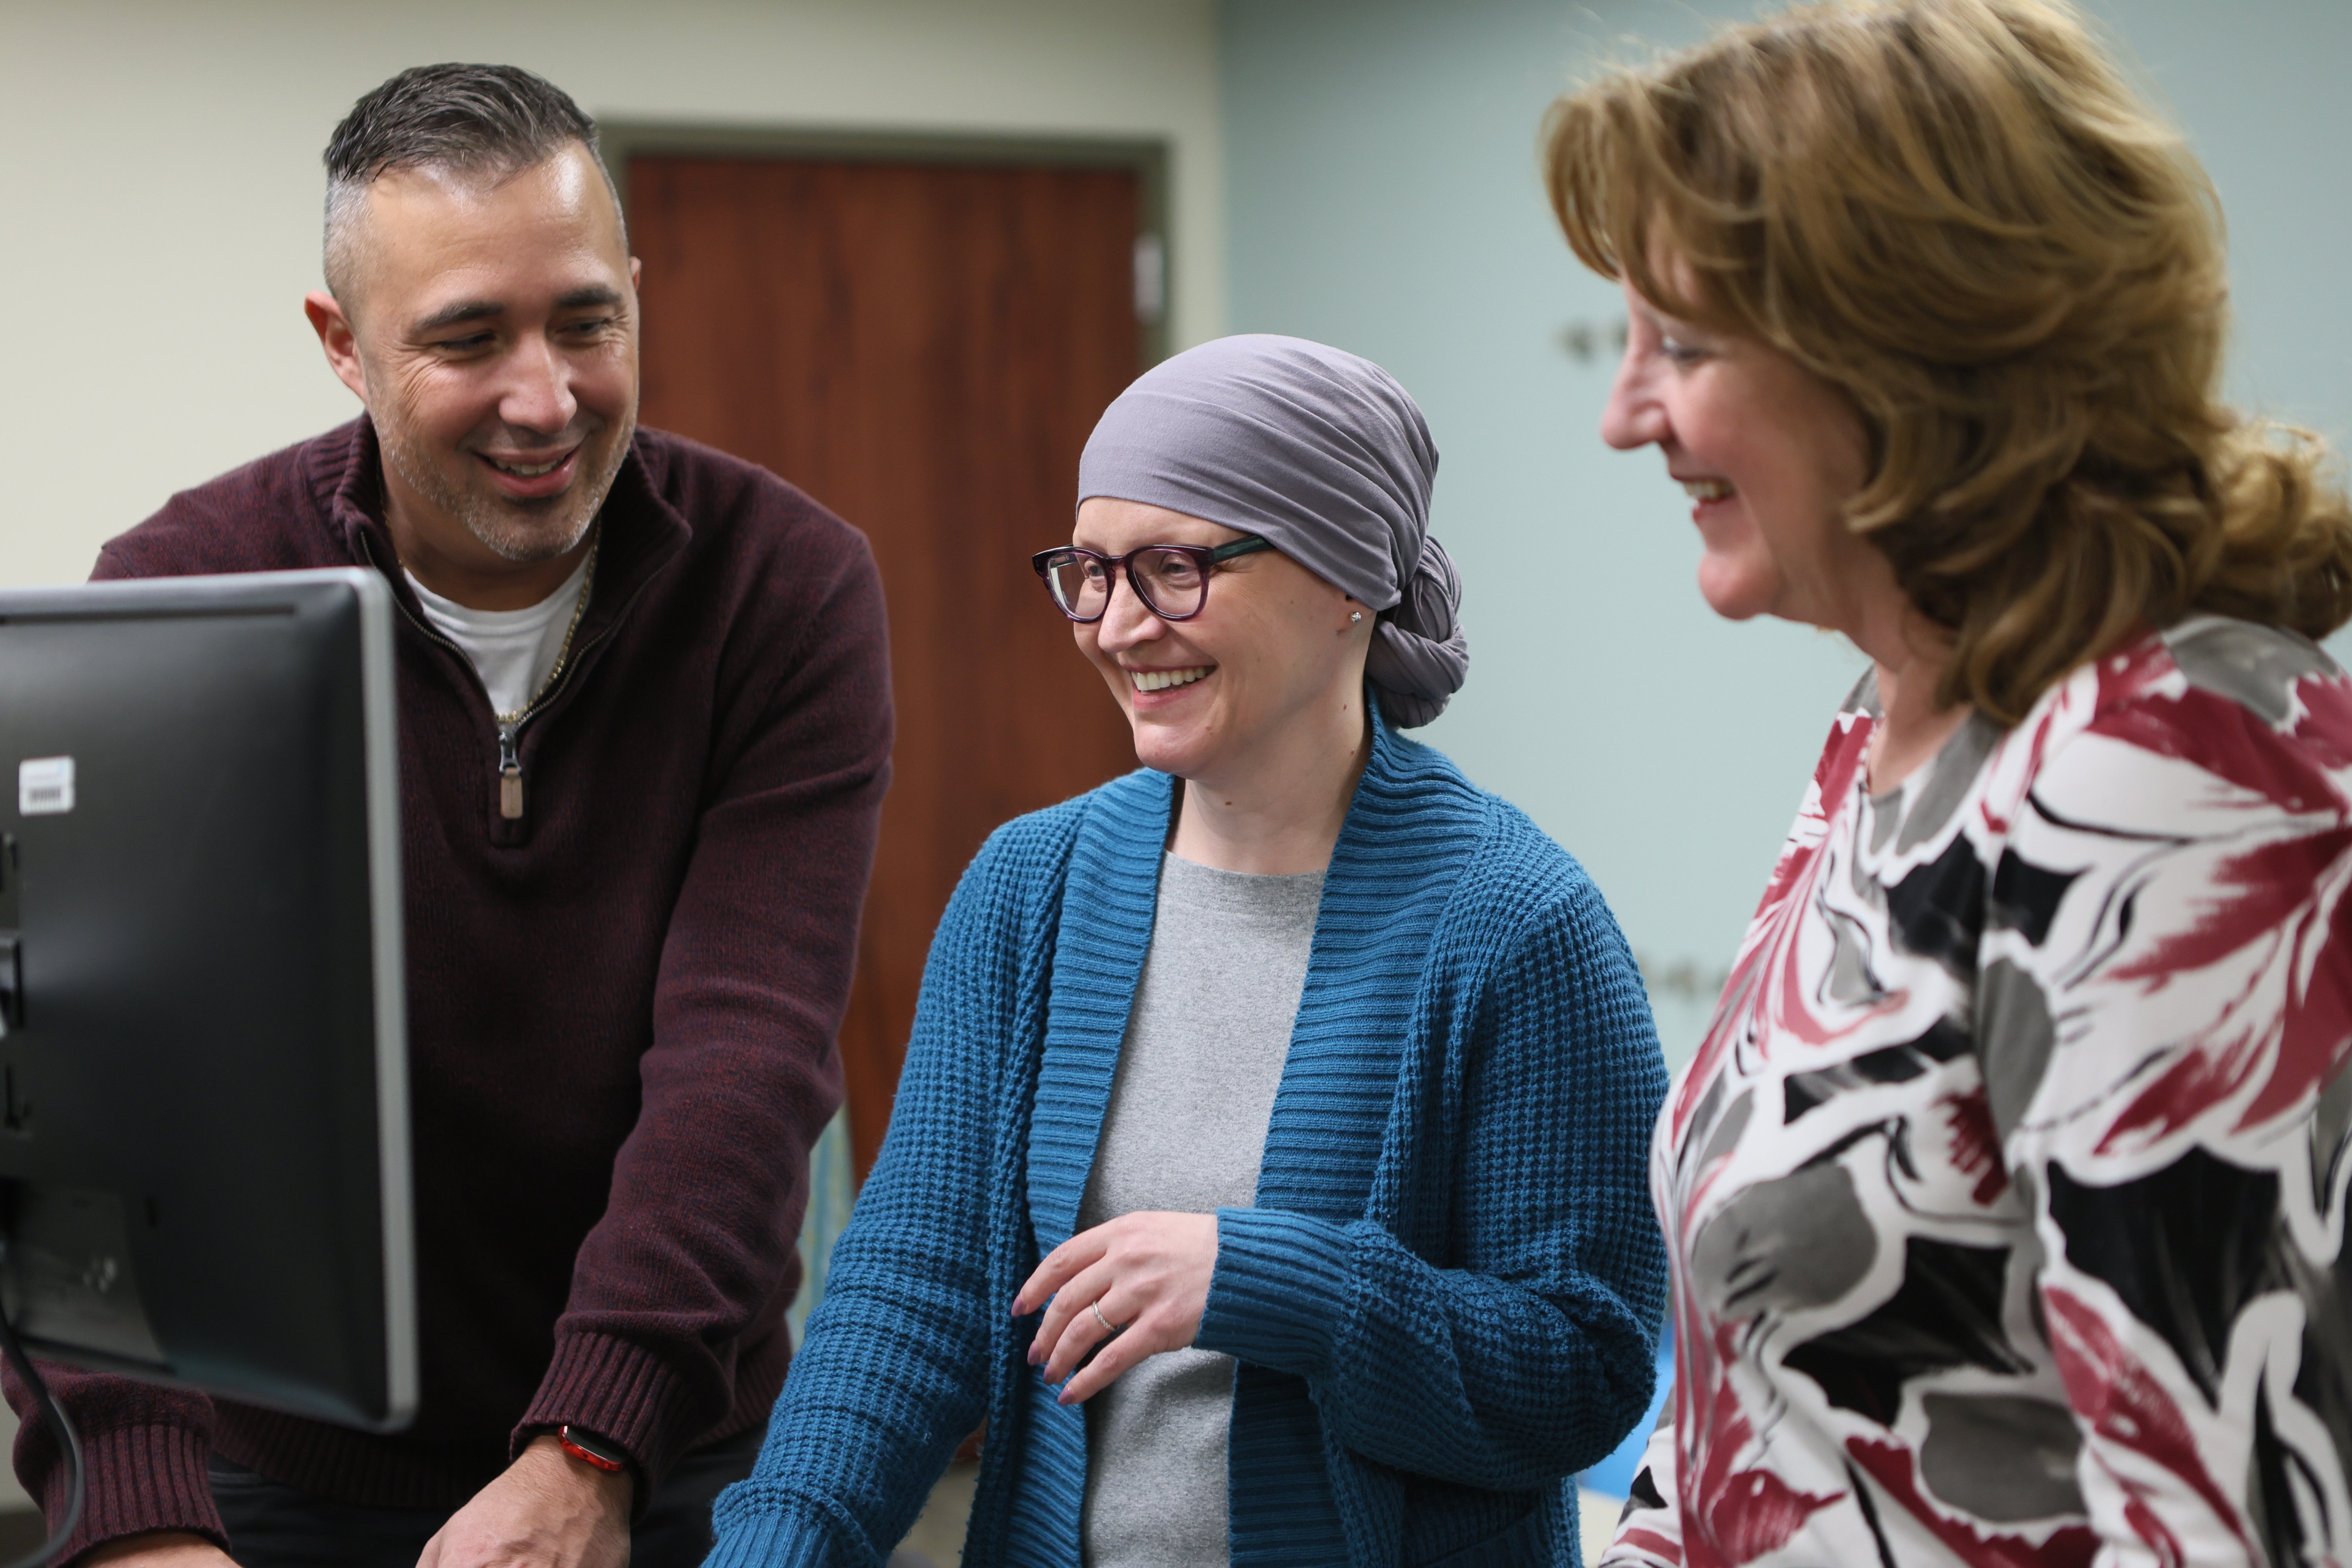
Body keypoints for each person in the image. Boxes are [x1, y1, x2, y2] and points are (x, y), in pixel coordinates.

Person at [7, 64, 892, 1568]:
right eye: (469, 338)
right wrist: (137, 1516)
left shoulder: (782, 588)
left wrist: (593, 1446)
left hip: (665, 1447)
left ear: (636, 293)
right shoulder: (180, 588)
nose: (544, 398)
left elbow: (744, 1057)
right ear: (342, 346)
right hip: (276, 1467)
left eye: (586, 321)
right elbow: (94, 1089)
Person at [1543, 2, 2352, 1564]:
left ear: (1904, 349)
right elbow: (1757, 1403)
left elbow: (2231, 1521)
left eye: (1686, 346)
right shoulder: (1899, 718)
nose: (1625, 412)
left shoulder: (2169, 770)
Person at [704, 334, 1669, 1568]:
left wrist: (1272, 1281)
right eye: (1090, 573)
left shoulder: (1515, 925)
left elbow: (1584, 1375)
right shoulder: (1029, 891)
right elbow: (913, 1297)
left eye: (1173, 568)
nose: (1115, 625)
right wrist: (779, 1546)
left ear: (1345, 582)